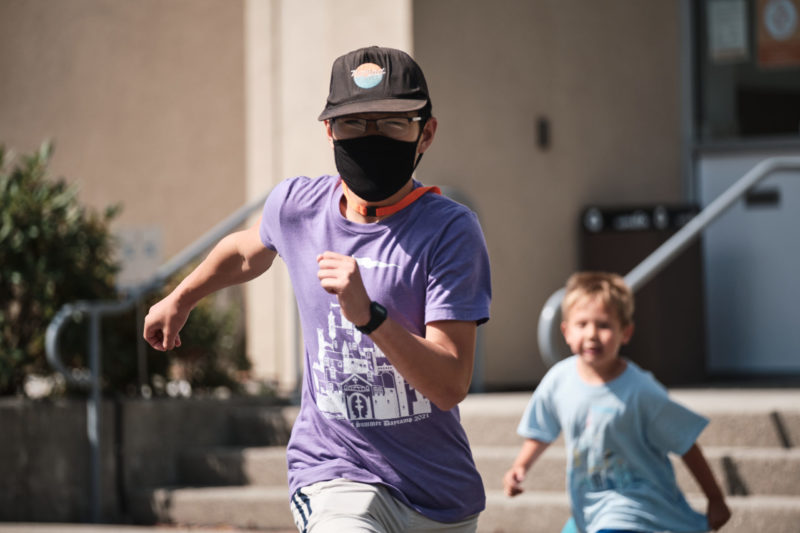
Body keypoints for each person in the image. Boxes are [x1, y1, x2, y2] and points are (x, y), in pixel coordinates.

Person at [143, 46, 491, 533]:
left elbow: (450, 384)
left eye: (391, 123)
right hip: (333, 472)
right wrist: (181, 298)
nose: (371, 137)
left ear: (425, 133)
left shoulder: (450, 231)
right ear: (329, 129)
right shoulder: (297, 207)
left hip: (436, 496)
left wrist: (369, 316)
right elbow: (246, 251)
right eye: (353, 123)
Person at [502, 272, 731, 533]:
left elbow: (686, 443)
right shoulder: (558, 381)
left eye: (604, 325)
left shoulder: (641, 390)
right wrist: (519, 467)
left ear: (626, 332)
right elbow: (541, 430)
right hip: (588, 507)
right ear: (566, 331)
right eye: (582, 324)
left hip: (637, 505)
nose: (592, 334)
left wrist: (715, 498)